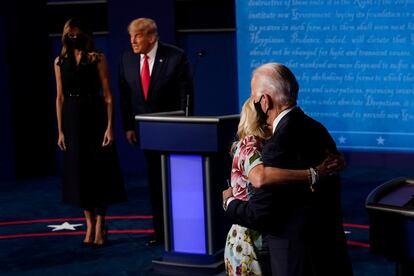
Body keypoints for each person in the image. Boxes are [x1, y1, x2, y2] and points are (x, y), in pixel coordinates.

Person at [223, 63, 353, 276]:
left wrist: (229, 203)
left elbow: (259, 214)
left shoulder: (276, 145)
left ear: (265, 101)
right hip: (330, 248)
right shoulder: (318, 129)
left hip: (295, 257)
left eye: (255, 97)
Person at [118, 17, 194, 246]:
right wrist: (129, 126)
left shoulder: (175, 56)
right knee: (155, 182)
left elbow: (186, 95)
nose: (133, 40)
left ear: (152, 37)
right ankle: (160, 231)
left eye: (138, 35)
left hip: (172, 131)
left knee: (176, 183)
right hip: (146, 132)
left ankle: (180, 229)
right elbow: (125, 97)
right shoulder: (127, 59)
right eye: (131, 36)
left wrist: (186, 125)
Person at [54, 18, 127, 247]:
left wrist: (109, 127)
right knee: (80, 173)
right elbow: (59, 97)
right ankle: (89, 223)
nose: (73, 38)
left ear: (85, 34)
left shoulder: (97, 58)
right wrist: (60, 131)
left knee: (99, 172)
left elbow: (107, 95)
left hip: (95, 118)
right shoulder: (59, 61)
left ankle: (101, 223)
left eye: (77, 34)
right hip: (72, 120)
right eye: (70, 34)